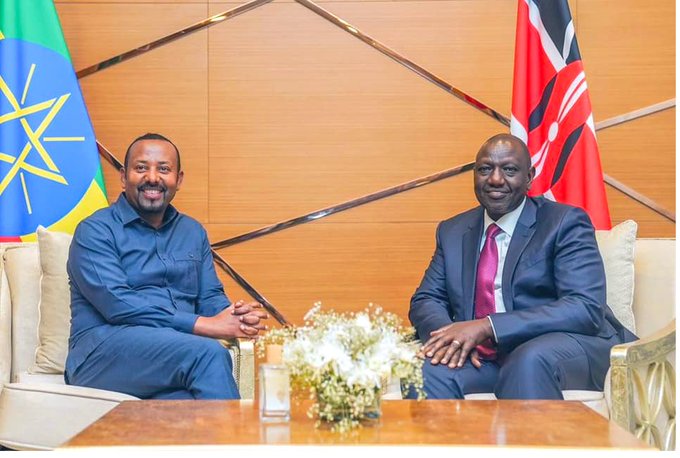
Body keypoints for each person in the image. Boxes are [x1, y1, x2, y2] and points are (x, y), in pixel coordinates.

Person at [407, 133, 635, 399]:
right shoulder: (453, 231)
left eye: (509, 170)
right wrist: (451, 339)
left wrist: (487, 326)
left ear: (529, 177)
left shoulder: (564, 222)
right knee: (428, 371)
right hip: (488, 359)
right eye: (484, 169)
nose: (495, 179)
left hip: (565, 347)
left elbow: (584, 307)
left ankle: (527, 442)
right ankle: (456, 442)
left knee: (528, 360)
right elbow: (427, 299)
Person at [65, 133, 268, 399]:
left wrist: (234, 318)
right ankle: (240, 441)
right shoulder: (95, 231)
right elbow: (118, 304)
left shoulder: (192, 232)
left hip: (172, 356)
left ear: (178, 180)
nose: (152, 177)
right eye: (141, 168)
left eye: (163, 169)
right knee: (208, 354)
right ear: (124, 177)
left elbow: (209, 297)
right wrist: (203, 325)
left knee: (188, 406)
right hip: (101, 354)